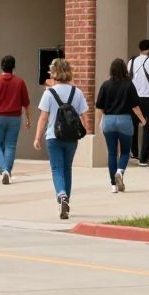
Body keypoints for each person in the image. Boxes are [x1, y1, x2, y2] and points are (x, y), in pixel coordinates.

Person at [33, 58, 89, 220]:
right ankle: (67, 201)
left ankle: (61, 196)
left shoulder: (49, 93)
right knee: (67, 169)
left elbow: (43, 118)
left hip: (53, 136)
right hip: (71, 137)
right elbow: (84, 114)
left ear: (54, 73)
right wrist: (86, 129)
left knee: (57, 169)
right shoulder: (76, 92)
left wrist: (37, 137)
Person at [95, 58, 146, 193]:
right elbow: (135, 106)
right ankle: (120, 171)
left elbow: (99, 107)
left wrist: (98, 123)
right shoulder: (129, 84)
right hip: (124, 120)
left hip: (109, 120)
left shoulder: (105, 85)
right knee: (124, 152)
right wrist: (143, 119)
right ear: (125, 70)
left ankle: (113, 185)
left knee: (112, 153)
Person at [0, 55, 31, 185]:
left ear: (2, 66)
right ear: (13, 67)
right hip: (15, 117)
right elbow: (26, 103)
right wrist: (28, 118)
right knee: (10, 145)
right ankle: (7, 170)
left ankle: (4, 170)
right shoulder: (20, 82)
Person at [128, 39, 149, 166]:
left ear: (139, 48)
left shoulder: (131, 62)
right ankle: (143, 157)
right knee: (147, 126)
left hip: (133, 98)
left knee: (133, 126)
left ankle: (134, 153)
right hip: (147, 97)